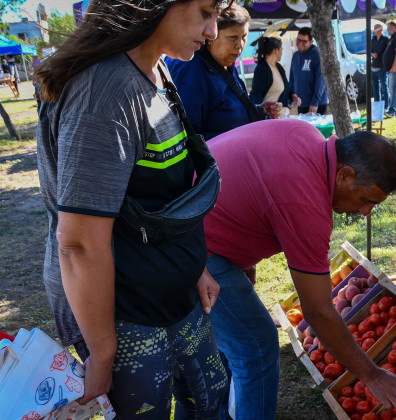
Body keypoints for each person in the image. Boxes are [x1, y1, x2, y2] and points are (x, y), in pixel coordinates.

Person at [34, 0, 231, 417]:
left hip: (173, 295)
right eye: (205, 12)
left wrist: (192, 268)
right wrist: (103, 355)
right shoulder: (105, 89)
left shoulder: (156, 68)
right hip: (126, 315)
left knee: (211, 398)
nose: (213, 31)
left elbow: (155, 195)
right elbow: (79, 243)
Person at [202, 119, 396, 419]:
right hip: (188, 244)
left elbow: (250, 185)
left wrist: (241, 262)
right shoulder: (306, 199)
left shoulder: (306, 135)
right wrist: (372, 375)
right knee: (256, 347)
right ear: (345, 174)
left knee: (233, 344)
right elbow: (318, 311)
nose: (366, 212)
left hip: (186, 221)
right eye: (366, 200)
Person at [168, 3, 279, 140]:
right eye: (232, 38)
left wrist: (253, 110)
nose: (240, 45)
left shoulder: (228, 66)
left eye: (244, 37)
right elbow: (187, 137)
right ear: (211, 37)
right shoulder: (190, 71)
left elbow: (225, 113)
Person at [249, 36, 300, 110]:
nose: (282, 53)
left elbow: (286, 86)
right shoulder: (262, 69)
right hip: (269, 118)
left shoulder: (279, 67)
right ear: (276, 51)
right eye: (281, 49)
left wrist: (293, 95)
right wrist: (263, 112)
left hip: (281, 115)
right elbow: (256, 95)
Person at [289, 27, 328, 114]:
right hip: (301, 104)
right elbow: (292, 79)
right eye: (298, 40)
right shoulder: (295, 56)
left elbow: (321, 80)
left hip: (316, 104)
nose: (300, 43)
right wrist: (291, 97)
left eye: (304, 41)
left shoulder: (317, 55)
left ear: (311, 42)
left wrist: (315, 101)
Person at [370, 23, 389, 107]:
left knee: (384, 87)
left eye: (376, 29)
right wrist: (372, 54)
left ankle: (386, 105)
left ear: (381, 30)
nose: (374, 31)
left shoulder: (385, 39)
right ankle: (378, 105)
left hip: (382, 67)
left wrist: (379, 55)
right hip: (373, 66)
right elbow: (370, 49)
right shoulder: (373, 39)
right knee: (375, 88)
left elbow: (387, 52)